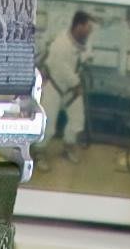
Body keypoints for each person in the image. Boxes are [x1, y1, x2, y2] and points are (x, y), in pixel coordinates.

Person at [39, 12, 94, 155]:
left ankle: (68, 147)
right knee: (48, 124)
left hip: (71, 89)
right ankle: (39, 152)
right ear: (78, 26)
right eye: (88, 27)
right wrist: (77, 84)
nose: (90, 30)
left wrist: (85, 62)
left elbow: (87, 57)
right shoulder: (60, 44)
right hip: (54, 85)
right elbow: (61, 69)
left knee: (77, 119)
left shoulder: (85, 41)